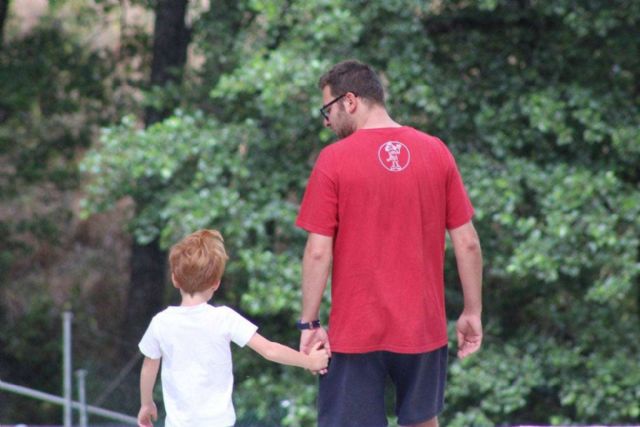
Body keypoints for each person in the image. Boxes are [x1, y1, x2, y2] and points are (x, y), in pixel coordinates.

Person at [295, 60, 483, 427]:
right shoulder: (435, 151)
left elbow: (318, 251)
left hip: (355, 332)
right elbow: (468, 243)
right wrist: (472, 312)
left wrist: (309, 323)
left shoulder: (333, 160)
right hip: (423, 330)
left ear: (350, 101)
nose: (326, 121)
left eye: (327, 109)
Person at [137, 229, 329, 427]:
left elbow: (149, 367)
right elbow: (270, 350)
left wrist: (146, 403)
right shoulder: (224, 318)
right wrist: (309, 361)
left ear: (175, 279)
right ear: (216, 283)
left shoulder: (161, 322)